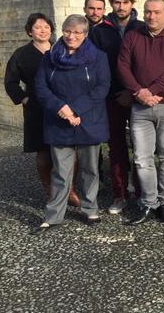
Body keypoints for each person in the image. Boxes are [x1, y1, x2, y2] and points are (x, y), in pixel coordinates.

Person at [31, 14, 110, 234]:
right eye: (67, 31)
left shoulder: (98, 57)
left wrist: (76, 109)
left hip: (88, 119)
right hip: (59, 120)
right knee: (60, 171)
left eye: (77, 32)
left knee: (90, 169)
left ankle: (89, 208)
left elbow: (102, 87)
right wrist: (62, 108)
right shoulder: (50, 57)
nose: (71, 36)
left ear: (85, 34)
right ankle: (54, 216)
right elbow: (41, 87)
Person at [117, 0, 164, 225]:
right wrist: (139, 92)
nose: (152, 16)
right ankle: (149, 202)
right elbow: (122, 66)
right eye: (148, 12)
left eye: (157, 12)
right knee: (141, 158)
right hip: (140, 106)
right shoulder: (133, 35)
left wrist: (153, 90)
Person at [5, 13, 82, 206]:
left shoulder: (63, 49)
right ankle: (50, 190)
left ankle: (69, 188)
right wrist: (23, 98)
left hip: (63, 106)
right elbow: (10, 81)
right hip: (36, 107)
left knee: (68, 149)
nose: (42, 30)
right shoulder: (21, 54)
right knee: (43, 150)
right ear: (30, 31)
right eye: (38, 27)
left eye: (46, 26)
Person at [89, 0, 145, 215]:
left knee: (142, 148)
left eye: (125, 2)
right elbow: (96, 65)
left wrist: (133, 92)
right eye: (117, 2)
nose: (121, 7)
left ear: (132, 4)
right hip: (112, 96)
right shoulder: (100, 30)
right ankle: (120, 193)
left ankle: (142, 193)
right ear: (111, 4)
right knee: (117, 147)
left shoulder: (141, 28)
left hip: (139, 95)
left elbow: (146, 64)